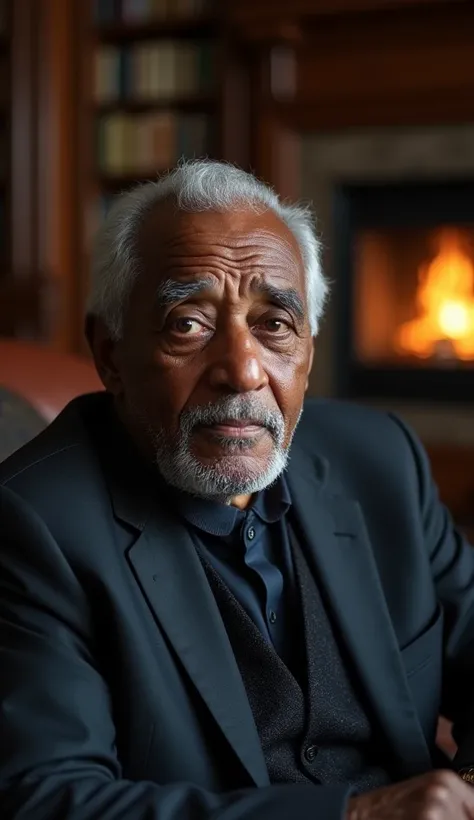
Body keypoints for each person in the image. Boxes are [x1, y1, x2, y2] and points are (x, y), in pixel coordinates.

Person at [0, 160, 474, 820]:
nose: (243, 370)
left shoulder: (380, 460)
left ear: (309, 346)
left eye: (274, 324)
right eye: (188, 323)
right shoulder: (33, 523)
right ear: (111, 355)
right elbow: (49, 800)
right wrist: (356, 817)